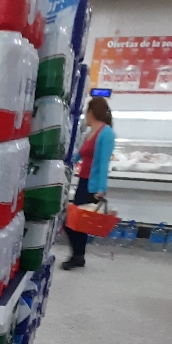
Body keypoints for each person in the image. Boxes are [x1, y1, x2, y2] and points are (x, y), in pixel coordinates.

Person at [62, 97, 115, 269]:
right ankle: (78, 256)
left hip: (93, 187)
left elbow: (103, 163)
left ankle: (78, 256)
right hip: (83, 182)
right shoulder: (90, 133)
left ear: (91, 112)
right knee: (76, 222)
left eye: (86, 111)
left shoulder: (106, 133)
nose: (85, 115)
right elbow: (78, 155)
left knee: (76, 222)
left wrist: (101, 189)